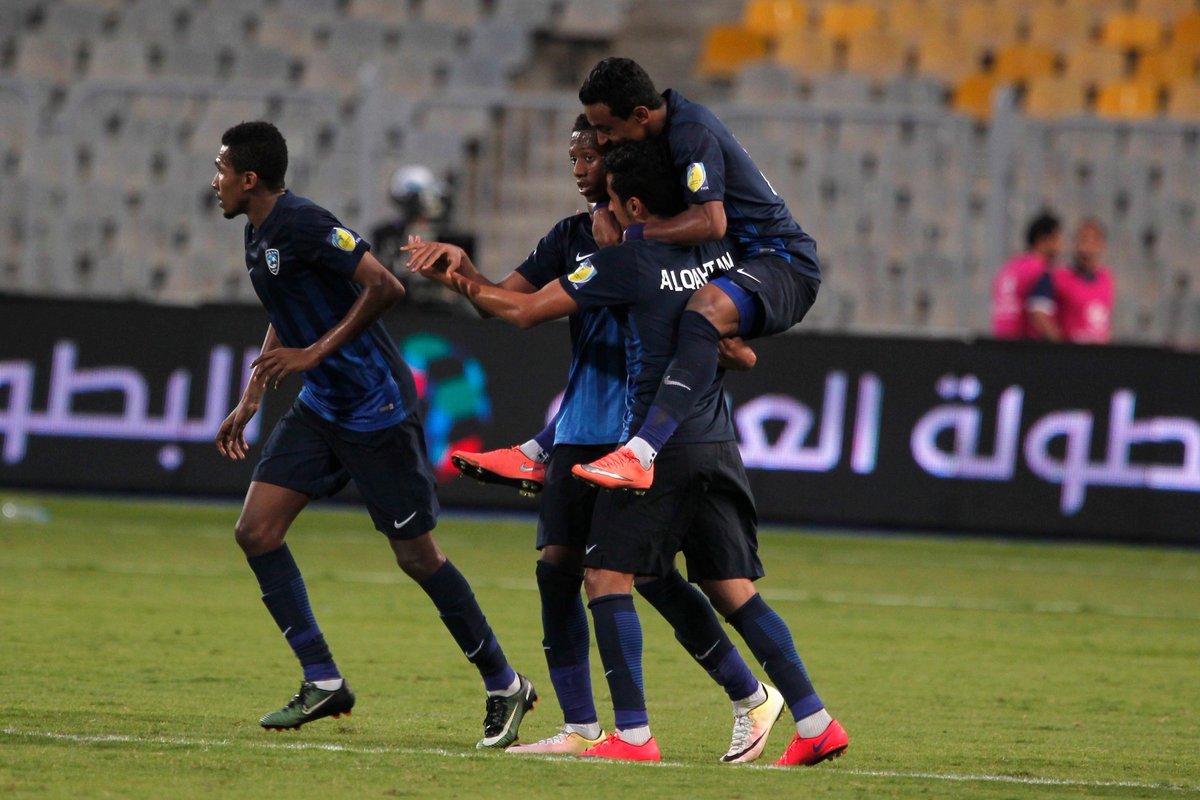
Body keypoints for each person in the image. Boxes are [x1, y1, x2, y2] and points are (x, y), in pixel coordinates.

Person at [407, 139, 847, 766]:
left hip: (639, 445)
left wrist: (458, 276)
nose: (584, 174)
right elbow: (741, 350)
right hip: (698, 436)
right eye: (575, 160)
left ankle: (635, 735)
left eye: (595, 165)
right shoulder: (707, 251)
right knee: (718, 586)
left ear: (632, 197)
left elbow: (523, 309)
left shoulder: (628, 258)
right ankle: (809, 717)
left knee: (613, 576)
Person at [209, 120, 535, 748]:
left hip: (375, 408)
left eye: (221, 169)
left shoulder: (304, 223)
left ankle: (505, 684)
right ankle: (324, 682)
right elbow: (286, 314)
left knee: (417, 557)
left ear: (249, 179)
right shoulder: (257, 237)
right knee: (255, 530)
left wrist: (313, 354)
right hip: (322, 408)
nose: (214, 181)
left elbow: (383, 285)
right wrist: (252, 396)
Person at [569, 57, 822, 492]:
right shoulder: (651, 135)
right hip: (738, 262)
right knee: (683, 319)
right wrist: (599, 209)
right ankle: (550, 448)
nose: (603, 140)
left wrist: (635, 235)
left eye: (607, 129)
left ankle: (642, 452)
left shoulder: (691, 131)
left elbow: (711, 224)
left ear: (641, 116)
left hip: (781, 259)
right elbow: (614, 181)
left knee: (703, 309)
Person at [1028, 217, 1115, 344]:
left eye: (1092, 242)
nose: (1085, 248)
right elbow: (1038, 311)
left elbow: (1104, 319)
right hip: (1072, 357)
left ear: (1101, 245)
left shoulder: (1106, 278)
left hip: (1098, 357)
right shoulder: (1056, 275)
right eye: (1082, 240)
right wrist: (1061, 346)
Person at [991, 211, 1063, 340]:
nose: (1061, 245)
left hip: (1000, 344)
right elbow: (1039, 313)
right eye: (1057, 238)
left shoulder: (1008, 268)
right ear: (1043, 239)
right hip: (1025, 348)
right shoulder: (1041, 271)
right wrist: (1061, 346)